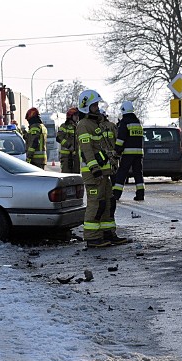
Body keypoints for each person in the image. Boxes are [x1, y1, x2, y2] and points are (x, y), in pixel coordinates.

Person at [76, 89, 128, 248]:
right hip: (94, 174)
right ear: (86, 107)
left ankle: (108, 233)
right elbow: (87, 150)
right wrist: (95, 169)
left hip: (104, 172)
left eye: (97, 104)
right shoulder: (84, 125)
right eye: (94, 105)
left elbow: (104, 147)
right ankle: (92, 238)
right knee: (95, 204)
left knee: (108, 203)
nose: (97, 108)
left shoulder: (97, 124)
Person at [113, 100, 145, 201]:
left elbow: (121, 139)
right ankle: (140, 194)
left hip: (128, 153)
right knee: (138, 174)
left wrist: (117, 151)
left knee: (122, 173)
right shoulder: (137, 122)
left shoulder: (125, 122)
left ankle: (116, 194)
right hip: (138, 153)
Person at [56, 107, 80, 174]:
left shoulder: (78, 126)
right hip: (66, 156)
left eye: (77, 115)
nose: (77, 117)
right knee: (66, 175)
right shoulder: (64, 126)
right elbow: (58, 138)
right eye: (75, 115)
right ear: (70, 116)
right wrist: (69, 146)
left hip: (76, 157)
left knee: (76, 176)